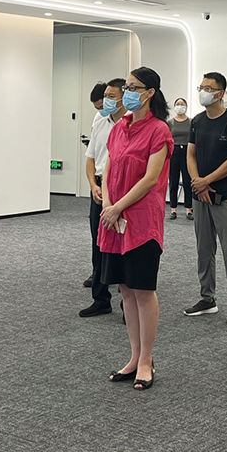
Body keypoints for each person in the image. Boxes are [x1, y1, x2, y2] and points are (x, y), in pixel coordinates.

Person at [98, 67, 173, 390]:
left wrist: (118, 207)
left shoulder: (159, 131)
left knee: (142, 290)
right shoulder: (119, 128)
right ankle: (134, 356)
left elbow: (150, 178)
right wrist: (108, 205)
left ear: (150, 93)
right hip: (114, 220)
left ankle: (147, 360)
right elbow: (108, 168)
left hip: (141, 221)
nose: (127, 93)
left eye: (133, 87)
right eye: (126, 87)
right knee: (125, 289)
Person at [183, 72, 227, 327]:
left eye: (208, 88)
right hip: (200, 196)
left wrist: (206, 181)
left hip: (226, 197)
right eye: (201, 87)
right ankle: (207, 298)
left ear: (220, 94)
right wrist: (197, 182)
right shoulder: (197, 121)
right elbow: (190, 155)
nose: (203, 92)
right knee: (204, 250)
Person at [80, 78, 126, 318]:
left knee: (124, 245)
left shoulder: (131, 124)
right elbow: (90, 158)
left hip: (121, 190)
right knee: (98, 243)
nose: (106, 101)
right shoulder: (100, 121)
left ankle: (127, 305)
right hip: (98, 188)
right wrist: (92, 185)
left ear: (123, 98)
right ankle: (100, 299)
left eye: (111, 96)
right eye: (105, 96)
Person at [166, 97, 193, 221]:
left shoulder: (191, 122)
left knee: (188, 181)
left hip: (187, 151)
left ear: (186, 107)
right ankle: (173, 209)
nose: (180, 106)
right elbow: (167, 139)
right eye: (177, 104)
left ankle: (189, 209)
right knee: (173, 181)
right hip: (174, 152)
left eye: (182, 104)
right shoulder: (170, 122)